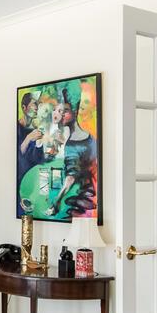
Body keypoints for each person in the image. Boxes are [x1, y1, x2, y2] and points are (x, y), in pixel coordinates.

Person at [49, 86, 98, 218]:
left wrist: (56, 201)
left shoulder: (72, 145)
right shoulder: (90, 137)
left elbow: (70, 178)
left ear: (75, 112)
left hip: (84, 202)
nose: (60, 115)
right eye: (59, 111)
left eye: (65, 111)